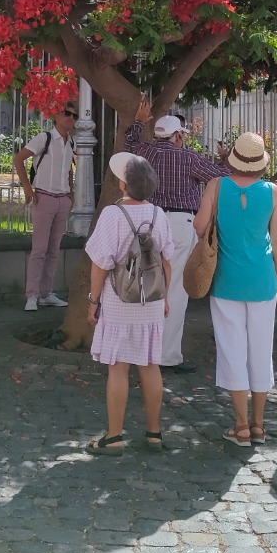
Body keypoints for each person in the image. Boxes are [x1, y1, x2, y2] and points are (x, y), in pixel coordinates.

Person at [123, 98, 227, 374]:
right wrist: (227, 159)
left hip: (150, 221)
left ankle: (141, 349)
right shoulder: (188, 158)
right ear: (178, 136)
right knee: (176, 291)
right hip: (180, 223)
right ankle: (167, 355)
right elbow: (221, 176)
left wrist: (138, 122)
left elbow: (130, 143)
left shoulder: (145, 154)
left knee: (148, 286)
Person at [197, 132, 277, 447]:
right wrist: (276, 276)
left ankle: (241, 425)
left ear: (232, 156)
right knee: (261, 350)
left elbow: (199, 227)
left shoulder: (216, 187)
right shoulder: (273, 191)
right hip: (262, 279)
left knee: (232, 350)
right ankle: (260, 424)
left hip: (226, 279)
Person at [83, 151, 174, 455]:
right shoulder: (159, 215)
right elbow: (166, 263)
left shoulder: (112, 215)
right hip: (150, 300)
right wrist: (164, 298)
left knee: (118, 368)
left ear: (124, 185)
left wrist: (93, 301)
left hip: (119, 300)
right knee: (150, 365)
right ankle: (154, 433)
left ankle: (114, 435)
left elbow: (99, 264)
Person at [15, 101, 77, 311]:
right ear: (56, 116)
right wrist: (27, 189)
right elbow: (19, 159)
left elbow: (68, 167)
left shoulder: (71, 142)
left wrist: (71, 191)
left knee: (54, 250)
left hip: (62, 199)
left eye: (74, 116)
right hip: (44, 197)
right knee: (39, 249)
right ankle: (32, 294)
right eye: (67, 113)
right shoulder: (45, 138)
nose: (71, 118)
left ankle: (46, 293)